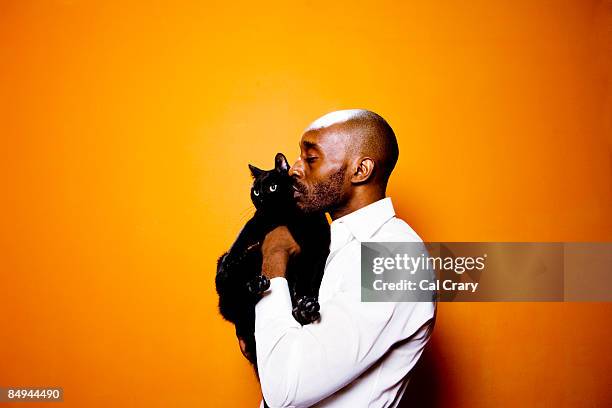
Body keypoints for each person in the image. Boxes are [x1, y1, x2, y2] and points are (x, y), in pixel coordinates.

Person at [251, 109, 436, 407]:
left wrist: (273, 257)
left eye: (311, 159)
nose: (295, 169)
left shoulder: (395, 257)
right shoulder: (332, 244)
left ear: (360, 171)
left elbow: (284, 388)